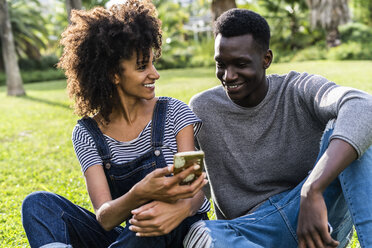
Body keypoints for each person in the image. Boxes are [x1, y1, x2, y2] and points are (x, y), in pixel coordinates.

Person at [21, 1, 210, 247]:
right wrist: (138, 194)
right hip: (132, 236)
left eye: (153, 63)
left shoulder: (175, 112)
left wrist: (180, 210)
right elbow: (105, 217)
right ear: (113, 74)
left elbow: (194, 188)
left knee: (149, 217)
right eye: (142, 66)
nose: (155, 74)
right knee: (38, 204)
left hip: (176, 228)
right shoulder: (87, 134)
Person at [182, 8, 372, 248]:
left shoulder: (298, 89)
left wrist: (313, 188)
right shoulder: (202, 108)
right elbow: (196, 186)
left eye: (240, 64)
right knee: (200, 233)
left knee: (350, 129)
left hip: (314, 222)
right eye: (221, 64)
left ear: (266, 59)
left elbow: (364, 105)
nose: (228, 76)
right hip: (249, 233)